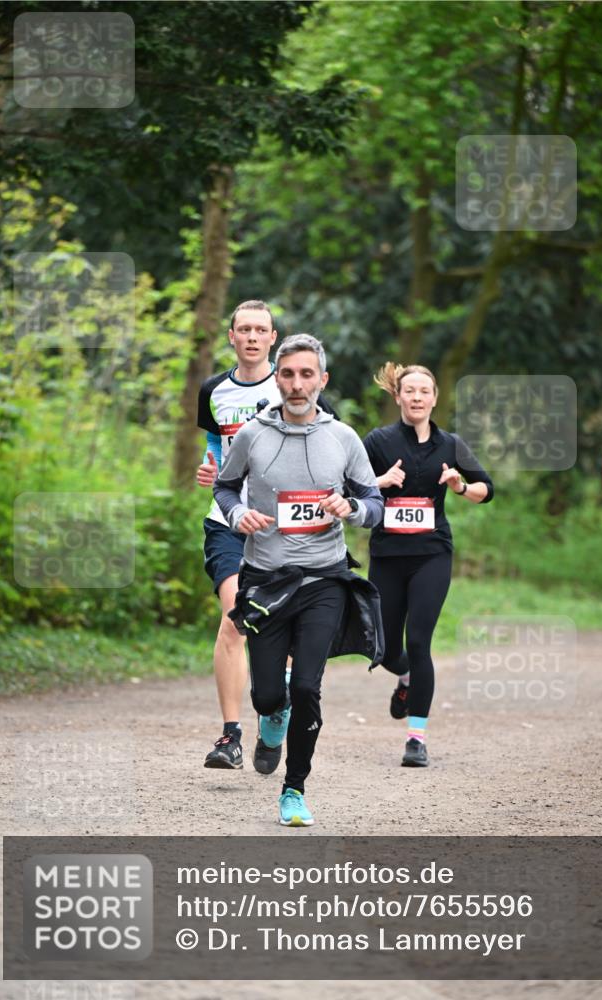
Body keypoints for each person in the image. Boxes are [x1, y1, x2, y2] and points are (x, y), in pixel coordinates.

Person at [213, 334, 384, 826]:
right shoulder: (252, 434)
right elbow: (225, 487)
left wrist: (351, 506)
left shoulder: (343, 438)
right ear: (278, 378)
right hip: (266, 582)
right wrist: (239, 512)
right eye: (287, 374)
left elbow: (375, 504)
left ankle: (295, 788)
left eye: (307, 374)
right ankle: (272, 715)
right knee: (269, 694)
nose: (296, 383)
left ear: (322, 380)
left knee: (308, 685)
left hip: (324, 579)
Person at [196, 301, 337, 773]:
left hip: (291, 534)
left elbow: (329, 448)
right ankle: (231, 736)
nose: (252, 336)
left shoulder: (296, 386)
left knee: (287, 636)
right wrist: (210, 467)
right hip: (230, 521)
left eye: (261, 329)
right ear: (231, 336)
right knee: (235, 619)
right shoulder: (212, 390)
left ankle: (275, 709)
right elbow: (217, 445)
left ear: (273, 338)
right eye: (244, 329)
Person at [363, 363, 494, 768]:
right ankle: (403, 677)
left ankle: (416, 738)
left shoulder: (450, 444)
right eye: (410, 391)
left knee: (419, 642)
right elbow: (349, 485)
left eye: (425, 391)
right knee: (383, 649)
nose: (417, 397)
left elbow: (486, 490)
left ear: (434, 398)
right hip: (387, 556)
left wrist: (460, 486)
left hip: (432, 554)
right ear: (398, 397)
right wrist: (379, 482)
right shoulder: (378, 441)